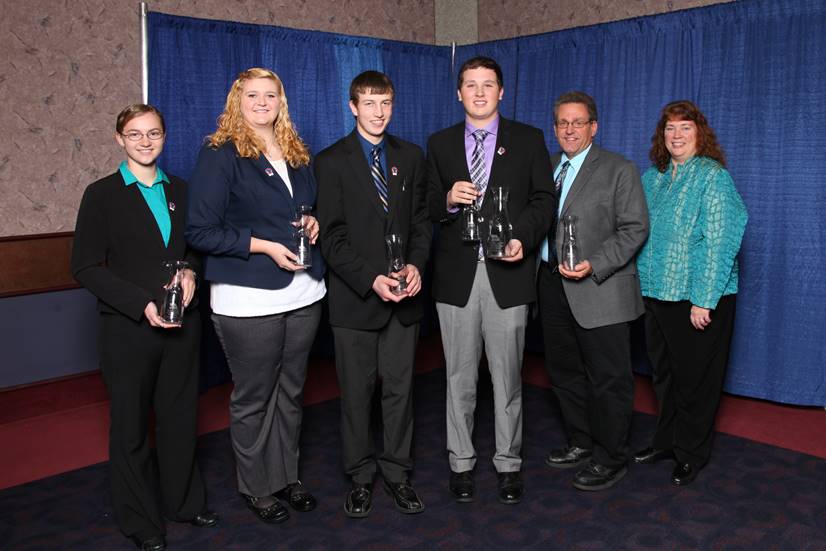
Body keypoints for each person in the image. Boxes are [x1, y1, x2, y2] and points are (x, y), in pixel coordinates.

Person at [71, 104, 217, 551]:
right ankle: (140, 521)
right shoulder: (102, 194)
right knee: (131, 427)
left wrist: (192, 271)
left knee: (178, 419)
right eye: (135, 134)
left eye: (153, 133)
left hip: (182, 325)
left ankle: (184, 504)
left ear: (165, 136)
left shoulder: (183, 190)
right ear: (120, 139)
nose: (145, 141)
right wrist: (141, 304)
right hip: (129, 330)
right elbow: (85, 267)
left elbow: (196, 247)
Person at [186, 68, 325, 523]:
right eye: (253, 95)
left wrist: (313, 223)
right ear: (236, 100)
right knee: (254, 396)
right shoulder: (219, 154)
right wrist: (263, 245)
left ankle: (286, 476)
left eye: (271, 95)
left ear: (281, 102)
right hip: (248, 297)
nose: (262, 102)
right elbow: (201, 231)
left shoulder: (296, 151)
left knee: (291, 391)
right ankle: (256, 485)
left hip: (304, 291)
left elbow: (302, 209)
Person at [427, 56, 555, 505]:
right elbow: (425, 207)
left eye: (488, 85)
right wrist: (445, 199)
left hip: (508, 273)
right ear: (458, 92)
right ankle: (460, 462)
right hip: (457, 276)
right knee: (459, 378)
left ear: (502, 91)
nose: (479, 92)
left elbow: (544, 199)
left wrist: (522, 236)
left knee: (507, 378)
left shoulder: (528, 139)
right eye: (470, 85)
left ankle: (508, 463)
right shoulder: (439, 143)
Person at [315, 70, 431, 518]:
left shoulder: (411, 156)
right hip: (355, 300)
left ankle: (398, 473)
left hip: (406, 300)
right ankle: (361, 476)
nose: (378, 112)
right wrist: (370, 279)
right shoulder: (331, 161)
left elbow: (420, 223)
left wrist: (417, 265)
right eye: (369, 104)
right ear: (352, 107)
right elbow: (333, 237)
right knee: (356, 395)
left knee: (400, 393)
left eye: (385, 103)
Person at [632, 100, 747, 486]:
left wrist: (704, 298)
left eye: (685, 128)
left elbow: (720, 240)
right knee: (663, 374)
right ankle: (667, 440)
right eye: (669, 128)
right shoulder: (653, 177)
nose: (676, 135)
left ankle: (691, 453)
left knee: (695, 379)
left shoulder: (713, 177)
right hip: (655, 293)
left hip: (696, 298)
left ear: (700, 134)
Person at [539, 91, 649, 491]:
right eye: (563, 123)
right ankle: (581, 441)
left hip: (599, 288)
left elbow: (635, 227)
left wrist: (596, 264)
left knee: (609, 380)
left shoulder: (619, 169)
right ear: (555, 128)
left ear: (593, 127)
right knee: (564, 373)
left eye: (578, 122)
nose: (570, 130)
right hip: (551, 286)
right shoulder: (548, 167)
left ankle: (610, 456)